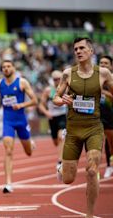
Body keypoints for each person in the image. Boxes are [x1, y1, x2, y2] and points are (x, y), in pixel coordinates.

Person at [53, 37, 113, 218]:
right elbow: (55, 98)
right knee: (68, 178)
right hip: (73, 129)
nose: (78, 51)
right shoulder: (67, 73)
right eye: (75, 49)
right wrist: (61, 100)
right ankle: (61, 168)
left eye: (81, 48)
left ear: (91, 51)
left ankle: (89, 215)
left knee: (92, 169)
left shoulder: (103, 73)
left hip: (94, 127)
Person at [0, 60, 38, 193]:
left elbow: (35, 101)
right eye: (3, 67)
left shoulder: (22, 82)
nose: (5, 69)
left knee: (28, 152)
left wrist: (21, 105)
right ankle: (8, 183)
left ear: (14, 68)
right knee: (8, 150)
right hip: (7, 121)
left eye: (8, 66)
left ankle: (30, 142)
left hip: (21, 121)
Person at [38, 70, 67, 168]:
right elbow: (41, 105)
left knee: (60, 137)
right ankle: (62, 152)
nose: (57, 81)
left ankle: (60, 161)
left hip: (63, 116)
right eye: (55, 79)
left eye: (59, 79)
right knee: (55, 141)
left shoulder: (66, 89)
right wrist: (46, 113)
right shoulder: (48, 90)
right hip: (52, 118)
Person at [98, 55, 113, 178]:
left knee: (111, 142)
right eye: (101, 63)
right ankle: (108, 166)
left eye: (106, 63)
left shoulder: (111, 80)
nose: (103, 65)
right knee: (100, 142)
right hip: (97, 115)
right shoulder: (94, 79)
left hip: (110, 115)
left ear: (111, 66)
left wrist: (106, 93)